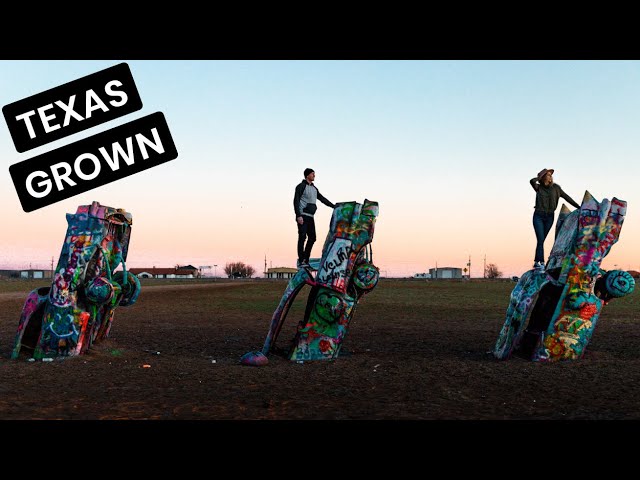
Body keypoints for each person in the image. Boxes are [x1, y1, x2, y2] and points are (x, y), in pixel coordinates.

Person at [530, 168, 581, 269]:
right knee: (540, 239)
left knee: (541, 240)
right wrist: (539, 176)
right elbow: (531, 181)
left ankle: (536, 261)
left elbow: (567, 197)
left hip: (549, 217)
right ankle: (542, 263)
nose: (550, 176)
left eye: (550, 175)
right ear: (544, 177)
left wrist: (579, 206)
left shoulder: (556, 188)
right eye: (548, 175)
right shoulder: (538, 187)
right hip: (538, 216)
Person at [293, 168, 335, 268]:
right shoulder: (301, 186)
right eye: (312, 174)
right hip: (302, 216)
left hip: (311, 217)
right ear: (307, 175)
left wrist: (334, 206)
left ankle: (306, 260)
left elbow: (322, 198)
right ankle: (301, 260)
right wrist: (298, 215)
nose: (314, 176)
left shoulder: (314, 189)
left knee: (312, 238)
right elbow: (296, 201)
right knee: (302, 237)